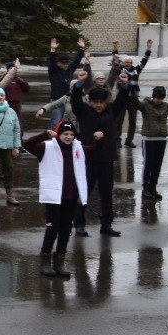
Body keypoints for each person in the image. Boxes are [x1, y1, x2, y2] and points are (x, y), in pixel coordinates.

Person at [22, 122, 104, 279]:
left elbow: (96, 151)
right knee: (52, 229)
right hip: (54, 198)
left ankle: (59, 260)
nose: (69, 137)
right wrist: (44, 134)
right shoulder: (47, 148)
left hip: (71, 197)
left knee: (66, 230)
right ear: (58, 135)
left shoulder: (78, 148)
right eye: (65, 134)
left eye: (72, 135)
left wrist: (100, 140)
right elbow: (28, 144)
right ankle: (45, 260)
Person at [70, 77, 123, 236]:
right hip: (89, 159)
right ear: (90, 102)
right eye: (95, 102)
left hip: (107, 159)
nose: (98, 105)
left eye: (101, 102)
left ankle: (106, 225)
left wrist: (125, 85)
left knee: (107, 193)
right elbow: (75, 101)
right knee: (84, 192)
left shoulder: (111, 110)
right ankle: (79, 224)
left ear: (106, 102)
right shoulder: (84, 111)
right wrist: (79, 84)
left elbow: (122, 99)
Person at [135, 86, 168, 199]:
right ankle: (145, 189)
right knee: (148, 165)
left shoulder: (166, 106)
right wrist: (130, 90)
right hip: (149, 139)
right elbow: (136, 103)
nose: (159, 100)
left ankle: (153, 188)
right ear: (153, 96)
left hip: (161, 139)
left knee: (157, 165)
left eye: (161, 98)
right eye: (157, 98)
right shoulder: (146, 105)